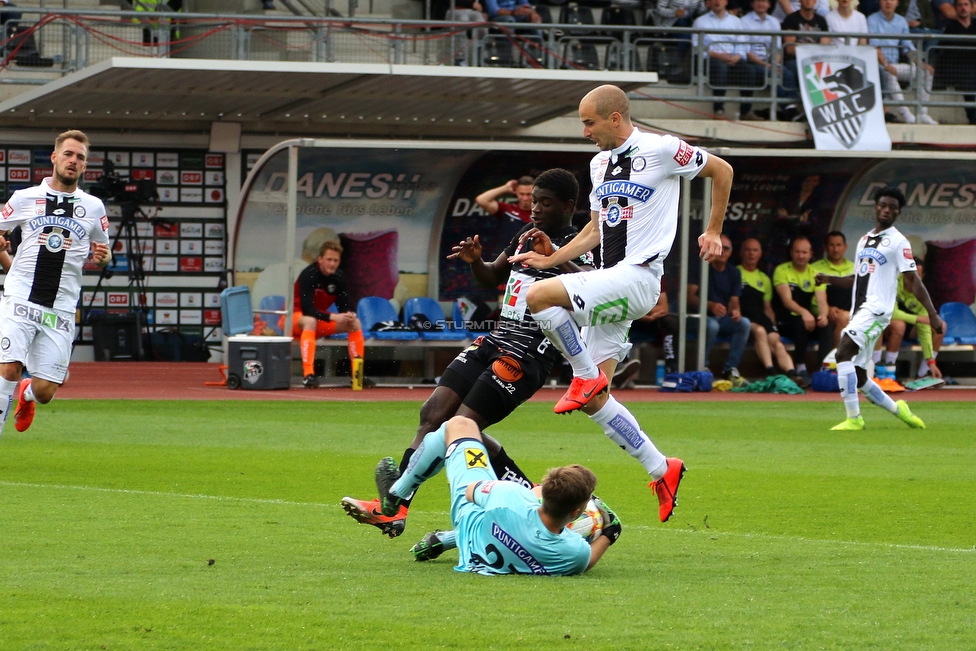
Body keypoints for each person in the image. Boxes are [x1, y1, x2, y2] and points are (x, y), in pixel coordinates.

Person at [508, 85, 734, 523]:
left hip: (639, 277)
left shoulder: (663, 149)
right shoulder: (599, 163)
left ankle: (582, 376)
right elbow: (595, 229)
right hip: (610, 281)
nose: (585, 131)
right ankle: (661, 467)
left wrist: (713, 229)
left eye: (589, 122)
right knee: (597, 401)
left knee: (537, 297)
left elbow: (722, 170)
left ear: (615, 118)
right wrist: (553, 257)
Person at [342, 169, 592, 537]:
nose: (535, 208)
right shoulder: (525, 235)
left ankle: (536, 508)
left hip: (526, 356)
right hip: (494, 340)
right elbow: (492, 276)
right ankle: (397, 508)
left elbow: (590, 291)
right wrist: (476, 260)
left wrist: (554, 256)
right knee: (433, 415)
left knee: (457, 432)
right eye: (534, 200)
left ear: (569, 206)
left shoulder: (580, 242)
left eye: (545, 203)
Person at [365, 416, 622, 575]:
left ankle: (396, 493)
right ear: (576, 512)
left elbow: (471, 491)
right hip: (475, 551)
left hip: (469, 520)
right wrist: (610, 533)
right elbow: (588, 560)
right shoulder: (573, 552)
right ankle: (443, 540)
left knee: (459, 425)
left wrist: (531, 492)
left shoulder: (510, 496)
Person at [0, 130, 112, 436]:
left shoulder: (93, 207)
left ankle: (27, 394)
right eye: (68, 154)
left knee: (46, 390)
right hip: (21, 296)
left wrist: (103, 259)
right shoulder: (24, 198)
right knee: (9, 367)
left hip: (60, 306)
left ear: (85, 165)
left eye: (80, 157)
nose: (73, 161)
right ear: (54, 157)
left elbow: (105, 251)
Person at [815, 188, 942, 431]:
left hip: (878, 311)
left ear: (898, 213)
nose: (886, 210)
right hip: (861, 310)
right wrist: (829, 279)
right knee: (861, 377)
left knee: (842, 353)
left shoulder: (898, 242)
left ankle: (854, 418)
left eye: (892, 208)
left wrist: (932, 313)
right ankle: (900, 411)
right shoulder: (864, 240)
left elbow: (912, 279)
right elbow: (858, 279)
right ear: (876, 207)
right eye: (882, 205)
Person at [291, 241, 365, 389]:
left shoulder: (339, 277)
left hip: (319, 321)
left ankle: (357, 374)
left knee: (355, 323)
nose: (332, 264)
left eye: (336, 260)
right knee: (310, 320)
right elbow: (307, 309)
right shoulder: (308, 274)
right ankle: (308, 375)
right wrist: (333, 317)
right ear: (320, 259)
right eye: (329, 260)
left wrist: (349, 315)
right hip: (294, 320)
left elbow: (344, 306)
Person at [688, 234, 752, 383]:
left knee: (743, 323)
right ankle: (701, 367)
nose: (722, 251)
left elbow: (734, 301)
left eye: (726, 248)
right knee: (712, 325)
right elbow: (688, 297)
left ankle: (730, 370)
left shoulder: (734, 272)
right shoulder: (701, 267)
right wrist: (710, 305)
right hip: (695, 317)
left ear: (731, 252)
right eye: (719, 247)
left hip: (720, 318)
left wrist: (735, 311)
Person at [773, 236, 832, 386]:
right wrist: (805, 313)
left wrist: (823, 315)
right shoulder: (781, 270)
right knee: (801, 323)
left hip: (806, 319)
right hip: (786, 320)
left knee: (825, 325)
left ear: (811, 254)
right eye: (797, 252)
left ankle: (823, 369)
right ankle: (800, 366)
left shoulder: (816, 273)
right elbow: (787, 301)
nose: (801, 256)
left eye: (804, 252)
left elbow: (821, 300)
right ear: (791, 252)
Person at [868, 0, 939, 124]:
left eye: (892, 0)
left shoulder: (901, 21)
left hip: (894, 66)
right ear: (879, 2)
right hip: (878, 66)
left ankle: (922, 113)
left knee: (926, 72)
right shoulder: (872, 20)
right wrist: (885, 65)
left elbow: (907, 46)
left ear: (897, 3)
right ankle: (906, 114)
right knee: (888, 73)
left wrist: (920, 63)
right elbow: (874, 47)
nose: (888, 2)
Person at [692, 0, 763, 118]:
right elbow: (696, 47)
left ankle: (745, 112)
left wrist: (737, 56)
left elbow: (742, 43)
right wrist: (718, 55)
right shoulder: (700, 22)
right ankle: (718, 109)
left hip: (732, 58)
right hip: (711, 58)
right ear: (708, 3)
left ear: (726, 2)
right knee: (720, 67)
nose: (717, 1)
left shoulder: (736, 21)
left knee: (749, 71)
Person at [738, 237, 798, 377]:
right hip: (743, 318)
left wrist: (773, 325)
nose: (751, 254)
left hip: (760, 317)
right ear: (741, 252)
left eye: (755, 250)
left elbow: (767, 307)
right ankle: (770, 371)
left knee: (776, 341)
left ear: (760, 253)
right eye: (748, 250)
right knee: (760, 332)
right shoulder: (736, 273)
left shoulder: (764, 278)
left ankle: (792, 374)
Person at [880, 258, 944, 379]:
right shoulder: (892, 283)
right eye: (911, 275)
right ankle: (887, 372)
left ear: (923, 276)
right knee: (899, 325)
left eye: (918, 276)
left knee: (941, 325)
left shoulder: (923, 294)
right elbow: (891, 313)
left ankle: (924, 372)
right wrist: (920, 319)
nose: (913, 279)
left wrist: (931, 361)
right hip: (887, 327)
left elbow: (924, 329)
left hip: (910, 330)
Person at [810, 231, 856, 347]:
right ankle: (837, 361)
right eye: (831, 245)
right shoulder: (814, 268)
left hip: (851, 314)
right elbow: (811, 298)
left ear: (845, 247)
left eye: (839, 245)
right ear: (825, 248)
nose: (835, 249)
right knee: (844, 318)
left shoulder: (855, 268)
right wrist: (826, 310)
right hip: (826, 317)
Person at [937, 0, 976, 124]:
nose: (963, 8)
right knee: (968, 79)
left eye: (966, 5)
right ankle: (973, 118)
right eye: (960, 5)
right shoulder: (950, 28)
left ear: (971, 7)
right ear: (955, 8)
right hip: (959, 68)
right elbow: (942, 51)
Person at [781, 0, 832, 95]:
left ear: (815, 1)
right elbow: (790, 49)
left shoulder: (821, 21)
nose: (808, 1)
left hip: (816, 60)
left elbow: (825, 47)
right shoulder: (791, 19)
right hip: (794, 60)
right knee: (798, 68)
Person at [627, 288, 680, 377]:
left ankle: (671, 371)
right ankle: (621, 366)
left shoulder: (658, 277)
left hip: (650, 318)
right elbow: (625, 308)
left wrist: (644, 313)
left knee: (671, 322)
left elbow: (663, 307)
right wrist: (643, 315)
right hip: (629, 318)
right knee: (621, 320)